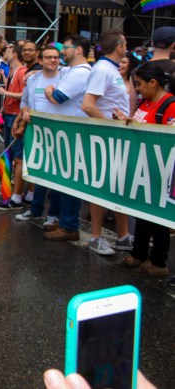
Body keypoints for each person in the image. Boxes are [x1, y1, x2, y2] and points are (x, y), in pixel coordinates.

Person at [112, 64, 174, 276]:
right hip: (143, 169)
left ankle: (158, 262)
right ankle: (139, 255)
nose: (136, 89)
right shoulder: (146, 103)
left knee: (158, 217)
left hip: (160, 172)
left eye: (138, 84)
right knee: (142, 214)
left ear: (153, 83)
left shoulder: (170, 105)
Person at [81, 29, 133, 256]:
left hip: (116, 137)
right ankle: (96, 237)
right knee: (101, 186)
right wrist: (109, 125)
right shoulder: (103, 69)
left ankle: (123, 236)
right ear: (119, 47)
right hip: (105, 137)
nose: (127, 48)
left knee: (118, 185)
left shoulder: (110, 69)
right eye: (125, 44)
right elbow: (88, 105)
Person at [42, 36, 93, 242]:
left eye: (67, 47)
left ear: (79, 49)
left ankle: (69, 225)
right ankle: (62, 220)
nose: (63, 51)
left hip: (75, 131)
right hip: (65, 130)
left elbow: (57, 97)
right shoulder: (70, 71)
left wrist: (48, 91)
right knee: (61, 178)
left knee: (70, 179)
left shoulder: (81, 73)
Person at [11, 45, 64, 226]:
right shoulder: (33, 80)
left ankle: (53, 215)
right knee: (38, 172)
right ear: (40, 61)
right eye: (48, 57)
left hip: (58, 132)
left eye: (56, 57)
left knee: (56, 176)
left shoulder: (65, 78)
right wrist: (25, 112)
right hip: (37, 132)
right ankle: (36, 209)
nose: (53, 61)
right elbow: (25, 101)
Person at [0, 42, 29, 209]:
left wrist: (4, 93)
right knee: (9, 151)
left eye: (7, 51)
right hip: (8, 113)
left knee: (17, 154)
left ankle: (16, 195)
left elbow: (24, 95)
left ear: (14, 54)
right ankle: (10, 191)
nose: (3, 53)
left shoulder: (21, 71)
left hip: (15, 115)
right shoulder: (13, 71)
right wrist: (2, 106)